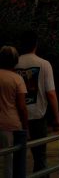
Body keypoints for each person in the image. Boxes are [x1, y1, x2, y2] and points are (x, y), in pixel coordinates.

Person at [15, 32, 59, 174]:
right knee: (40, 157)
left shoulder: (14, 64)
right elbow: (51, 94)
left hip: (16, 117)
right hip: (37, 116)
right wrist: (56, 118)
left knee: (16, 156)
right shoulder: (44, 64)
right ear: (36, 44)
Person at [1, 46, 28, 178]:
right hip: (10, 125)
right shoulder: (17, 79)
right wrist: (25, 127)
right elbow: (22, 107)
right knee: (9, 162)